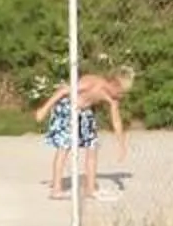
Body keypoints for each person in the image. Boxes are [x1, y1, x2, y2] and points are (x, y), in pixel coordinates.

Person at [35, 66, 135, 198]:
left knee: (92, 147)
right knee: (64, 147)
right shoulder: (92, 82)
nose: (121, 96)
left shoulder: (113, 100)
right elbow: (64, 90)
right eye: (121, 92)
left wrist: (122, 144)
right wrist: (44, 109)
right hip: (68, 107)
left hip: (84, 111)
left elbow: (116, 121)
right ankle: (56, 189)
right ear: (114, 84)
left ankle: (90, 188)